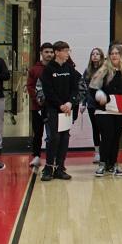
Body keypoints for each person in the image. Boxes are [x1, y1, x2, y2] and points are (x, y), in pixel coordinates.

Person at [89, 45, 122, 178]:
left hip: (121, 111)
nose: (114, 55)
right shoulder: (102, 71)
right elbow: (93, 88)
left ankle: (113, 164)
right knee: (107, 136)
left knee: (116, 138)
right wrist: (99, 95)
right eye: (112, 53)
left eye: (117, 53)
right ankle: (103, 163)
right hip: (104, 111)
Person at [39, 41, 79, 182]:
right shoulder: (48, 69)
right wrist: (60, 105)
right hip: (53, 109)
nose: (68, 53)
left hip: (67, 109)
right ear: (57, 52)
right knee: (54, 137)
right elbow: (48, 91)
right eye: (65, 51)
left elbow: (75, 88)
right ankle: (48, 168)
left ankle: (60, 168)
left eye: (68, 51)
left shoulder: (69, 68)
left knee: (64, 137)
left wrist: (70, 102)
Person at [26, 42, 54, 168]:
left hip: (52, 108)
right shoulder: (34, 69)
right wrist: (38, 99)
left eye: (51, 52)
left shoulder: (56, 68)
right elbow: (30, 86)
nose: (49, 54)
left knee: (52, 134)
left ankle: (51, 158)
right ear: (41, 53)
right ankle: (36, 156)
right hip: (37, 107)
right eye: (46, 52)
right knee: (38, 133)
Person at [80, 47, 104, 164]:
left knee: (104, 128)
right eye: (93, 54)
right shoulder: (88, 71)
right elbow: (84, 89)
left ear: (101, 56)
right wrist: (83, 103)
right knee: (95, 128)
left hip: (103, 104)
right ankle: (97, 152)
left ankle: (105, 151)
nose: (95, 56)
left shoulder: (105, 70)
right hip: (91, 104)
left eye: (97, 54)